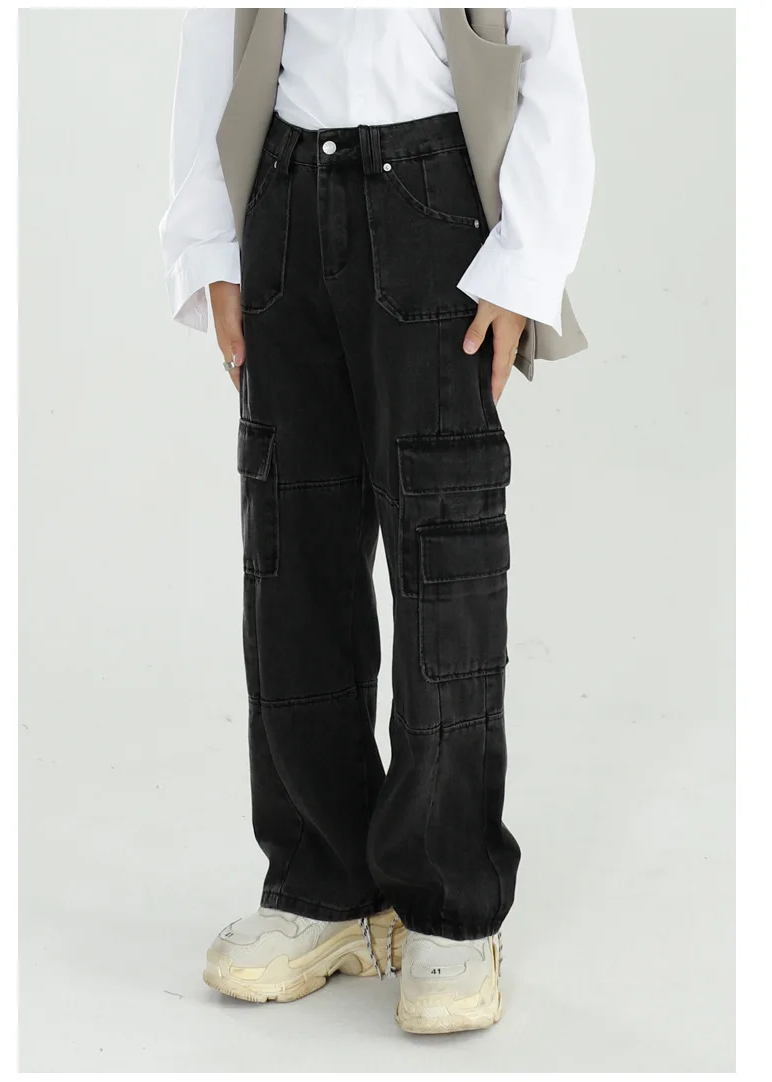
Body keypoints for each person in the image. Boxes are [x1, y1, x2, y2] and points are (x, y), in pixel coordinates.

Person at [159, 7, 593, 1034]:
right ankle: (324, 884)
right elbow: (213, 46)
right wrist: (211, 248)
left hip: (434, 207)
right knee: (291, 550)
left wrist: (524, 264)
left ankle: (447, 901)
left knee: (445, 555)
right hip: (282, 198)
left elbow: (546, 61)